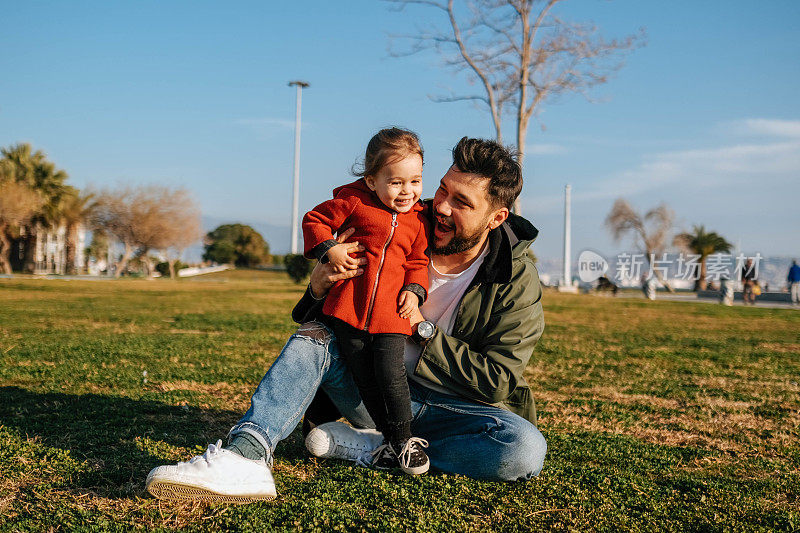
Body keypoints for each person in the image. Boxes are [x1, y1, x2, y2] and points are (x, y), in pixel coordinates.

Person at [145, 136, 546, 503]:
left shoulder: (516, 277)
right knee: (317, 334)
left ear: (496, 218)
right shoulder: (393, 215)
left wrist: (421, 328)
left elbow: (497, 379)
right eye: (442, 189)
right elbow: (329, 282)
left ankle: (379, 446)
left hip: (447, 410)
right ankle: (246, 455)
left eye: (462, 202)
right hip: (365, 384)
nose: (440, 205)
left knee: (523, 448)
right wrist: (318, 288)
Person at [301, 128, 430, 475]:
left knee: (390, 375)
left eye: (415, 181)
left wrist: (415, 290)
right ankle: (388, 441)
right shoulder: (355, 203)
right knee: (364, 378)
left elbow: (418, 262)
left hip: (392, 314)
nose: (408, 191)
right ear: (372, 181)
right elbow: (315, 221)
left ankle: (404, 441)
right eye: (397, 182)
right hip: (349, 309)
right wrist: (331, 249)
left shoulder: (418, 220)